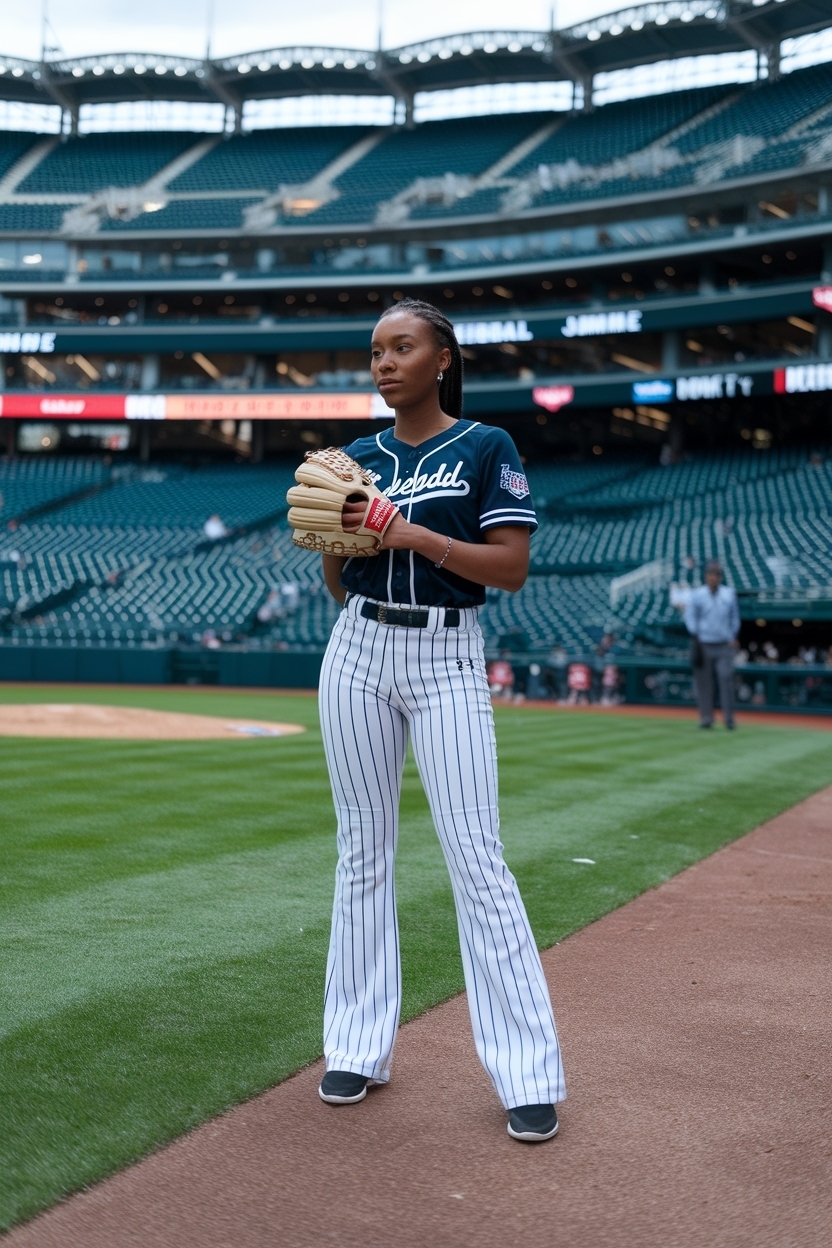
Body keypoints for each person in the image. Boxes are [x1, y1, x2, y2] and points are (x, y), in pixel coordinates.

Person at [315, 298, 565, 1143]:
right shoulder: (356, 455)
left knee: (476, 856)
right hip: (358, 650)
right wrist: (337, 532)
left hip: (449, 656)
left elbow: (512, 569)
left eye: (402, 347)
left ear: (443, 359)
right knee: (361, 850)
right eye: (376, 350)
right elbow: (338, 579)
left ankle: (527, 1072)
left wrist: (409, 535)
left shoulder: (487, 447)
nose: (384, 362)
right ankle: (355, 1044)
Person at [684, 559, 740, 729]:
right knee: (704, 683)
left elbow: (734, 618)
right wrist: (696, 633)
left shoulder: (729, 594)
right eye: (710, 574)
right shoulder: (697, 594)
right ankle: (706, 718)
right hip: (704, 643)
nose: (712, 578)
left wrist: (732, 635)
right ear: (705, 576)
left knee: (726, 680)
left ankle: (729, 718)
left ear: (720, 577)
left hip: (724, 644)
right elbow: (689, 616)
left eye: (715, 574)